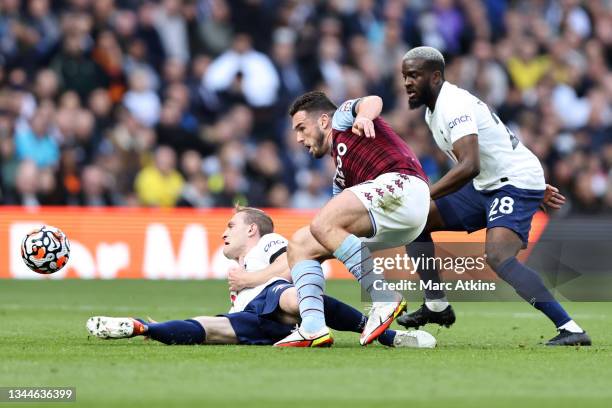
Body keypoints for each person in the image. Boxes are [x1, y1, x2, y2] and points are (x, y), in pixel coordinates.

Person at [397, 46, 590, 346]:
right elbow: (490, 148)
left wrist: (426, 193)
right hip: (490, 183)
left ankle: (572, 329)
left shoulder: (453, 105)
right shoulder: (432, 112)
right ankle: (436, 305)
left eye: (413, 75)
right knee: (416, 222)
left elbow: (469, 165)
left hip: (512, 182)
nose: (407, 82)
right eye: (404, 76)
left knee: (498, 256)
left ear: (435, 77)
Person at [87, 206, 435, 348]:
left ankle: (384, 335)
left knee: (289, 297)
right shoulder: (242, 270)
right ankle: (142, 327)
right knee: (210, 327)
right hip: (257, 319)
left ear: (252, 229)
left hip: (277, 303)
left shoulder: (269, 243)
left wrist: (250, 281)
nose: (224, 232)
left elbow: (294, 266)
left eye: (230, 225)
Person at [274, 92, 430, 347]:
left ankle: (384, 296)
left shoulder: (342, 120)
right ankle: (313, 327)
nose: (299, 138)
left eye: (301, 128)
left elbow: (373, 100)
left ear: (323, 121)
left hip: (403, 186)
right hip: (400, 219)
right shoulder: (341, 176)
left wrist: (365, 117)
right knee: (302, 244)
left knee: (322, 224)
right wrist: (271, 275)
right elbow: (327, 233)